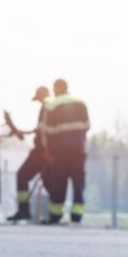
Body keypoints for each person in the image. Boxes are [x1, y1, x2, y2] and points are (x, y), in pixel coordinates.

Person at [40, 78, 90, 224]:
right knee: (78, 183)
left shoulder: (52, 105)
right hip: (79, 150)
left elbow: (46, 131)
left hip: (60, 151)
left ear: (56, 88)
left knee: (58, 183)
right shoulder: (81, 102)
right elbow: (87, 125)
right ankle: (77, 216)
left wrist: (47, 151)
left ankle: (55, 215)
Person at [5, 86, 51, 222]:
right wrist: (23, 132)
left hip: (42, 151)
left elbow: (44, 132)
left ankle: (24, 209)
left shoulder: (47, 107)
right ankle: (52, 214)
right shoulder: (47, 108)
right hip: (45, 150)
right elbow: (40, 130)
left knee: (23, 175)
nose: (38, 101)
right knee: (49, 182)